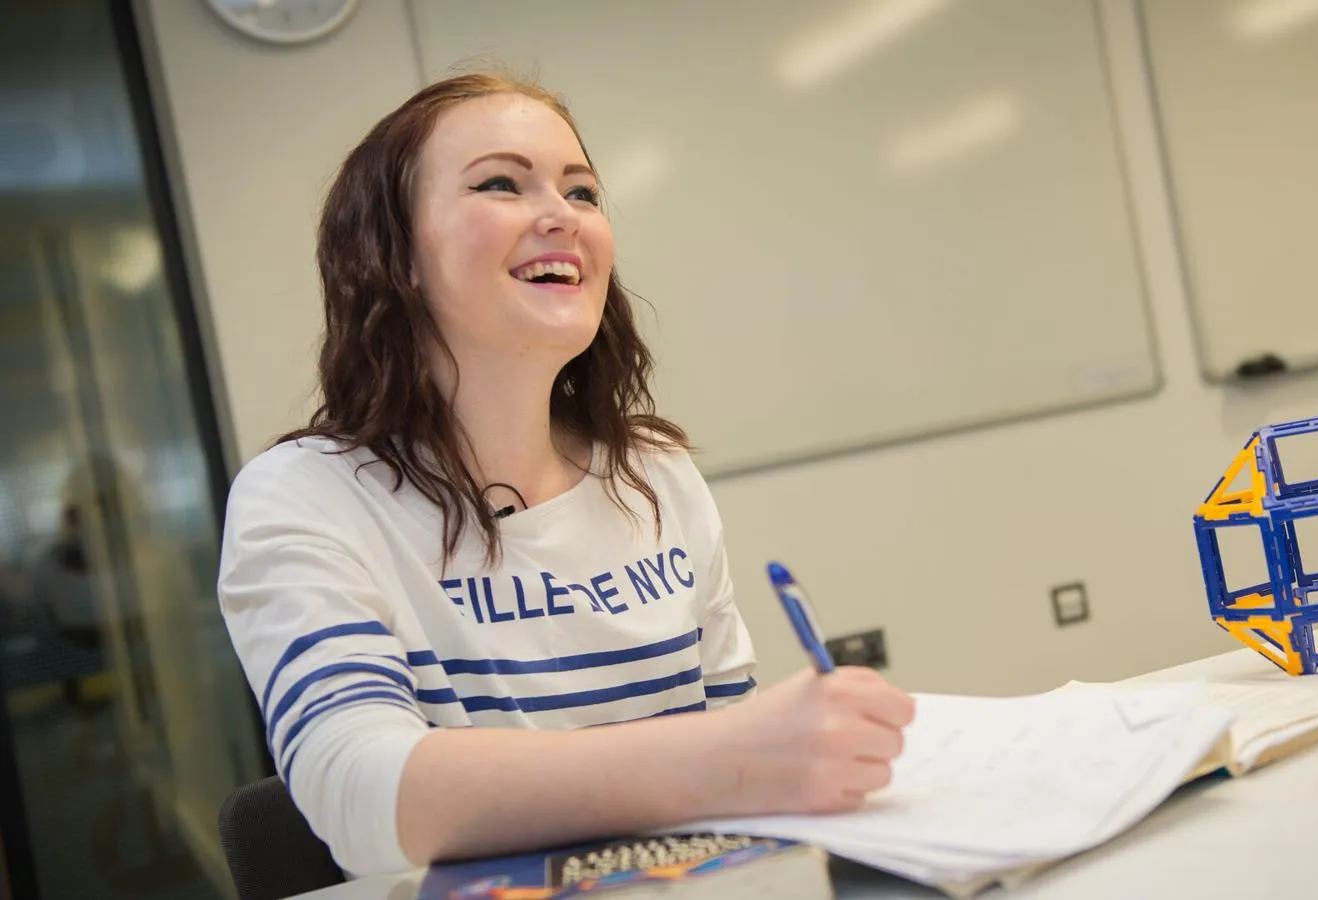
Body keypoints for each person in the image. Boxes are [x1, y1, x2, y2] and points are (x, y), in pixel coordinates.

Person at [216, 72, 916, 878]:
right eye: (501, 184)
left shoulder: (656, 476)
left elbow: (734, 796)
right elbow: (367, 804)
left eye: (582, 192)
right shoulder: (305, 495)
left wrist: (768, 757)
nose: (562, 216)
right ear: (394, 254)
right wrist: (729, 753)